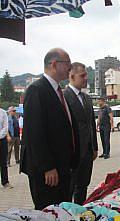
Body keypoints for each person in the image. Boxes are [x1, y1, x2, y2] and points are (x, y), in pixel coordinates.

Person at [21, 48, 80, 210]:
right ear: (54, 64)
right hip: (48, 172)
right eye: (67, 63)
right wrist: (47, 167)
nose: (70, 67)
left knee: (63, 210)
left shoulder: (58, 91)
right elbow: (34, 133)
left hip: (63, 167)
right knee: (48, 212)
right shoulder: (37, 90)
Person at [64, 62, 98, 205]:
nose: (86, 78)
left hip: (88, 151)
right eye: (82, 75)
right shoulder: (64, 96)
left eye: (86, 75)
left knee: (83, 185)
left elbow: (91, 124)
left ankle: (80, 211)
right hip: (72, 152)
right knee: (69, 188)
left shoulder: (86, 98)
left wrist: (94, 147)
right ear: (71, 76)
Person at [0, 107, 13, 189]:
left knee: (3, 162)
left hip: (2, 140)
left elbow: (5, 127)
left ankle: (5, 182)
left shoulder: (3, 112)